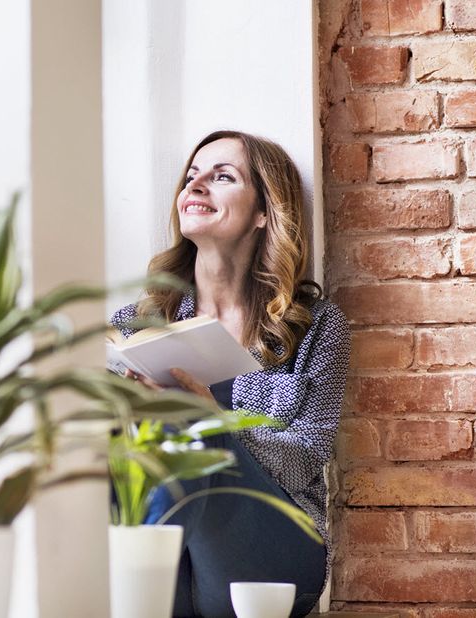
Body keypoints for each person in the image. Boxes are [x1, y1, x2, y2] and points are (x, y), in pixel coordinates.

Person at [110, 130, 350, 617]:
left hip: (273, 549)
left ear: (265, 212)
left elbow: (307, 459)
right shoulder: (131, 326)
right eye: (192, 175)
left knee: (197, 433)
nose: (196, 186)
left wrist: (213, 418)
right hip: (171, 569)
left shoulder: (315, 325)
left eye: (222, 177)